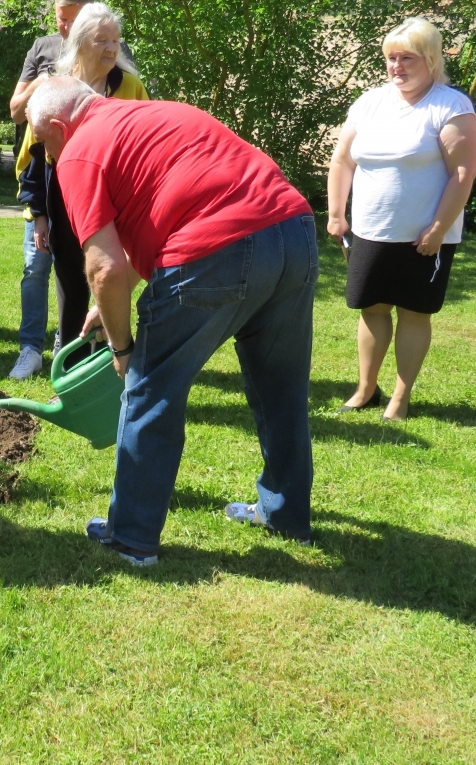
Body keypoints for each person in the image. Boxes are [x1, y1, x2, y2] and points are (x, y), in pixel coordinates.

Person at [28, 77, 316, 566]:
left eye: (41, 141)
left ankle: (132, 538)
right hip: (293, 234)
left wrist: (122, 350)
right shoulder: (160, 114)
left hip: (217, 251)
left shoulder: (78, 153)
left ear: (58, 126)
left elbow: (103, 267)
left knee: (149, 389)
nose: (45, 154)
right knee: (281, 389)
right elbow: (168, 208)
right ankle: (286, 514)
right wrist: (114, 300)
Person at [326, 17, 476, 421]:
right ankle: (365, 390)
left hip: (424, 237)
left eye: (407, 58)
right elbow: (342, 160)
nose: (396, 66)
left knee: (414, 313)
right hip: (371, 231)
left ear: (430, 59)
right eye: (391, 58)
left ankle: (401, 396)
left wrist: (438, 229)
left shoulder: (450, 106)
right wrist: (336, 214)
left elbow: (463, 173)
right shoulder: (370, 102)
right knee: (372, 309)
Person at [17, 2, 149, 373]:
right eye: (102, 40)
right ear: (79, 42)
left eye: (116, 41)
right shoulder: (55, 86)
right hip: (65, 195)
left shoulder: (130, 86)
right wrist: (39, 215)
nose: (111, 49)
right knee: (72, 281)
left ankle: (114, 356)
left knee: (111, 273)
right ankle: (73, 360)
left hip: (116, 197)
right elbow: (36, 148)